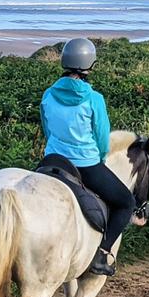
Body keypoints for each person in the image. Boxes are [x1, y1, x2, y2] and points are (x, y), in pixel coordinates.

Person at [41, 38, 135, 277]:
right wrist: (101, 157)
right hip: (85, 164)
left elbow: (47, 129)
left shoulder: (48, 94)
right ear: (89, 65)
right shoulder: (94, 99)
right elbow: (103, 138)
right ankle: (103, 253)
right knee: (126, 202)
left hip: (52, 161)